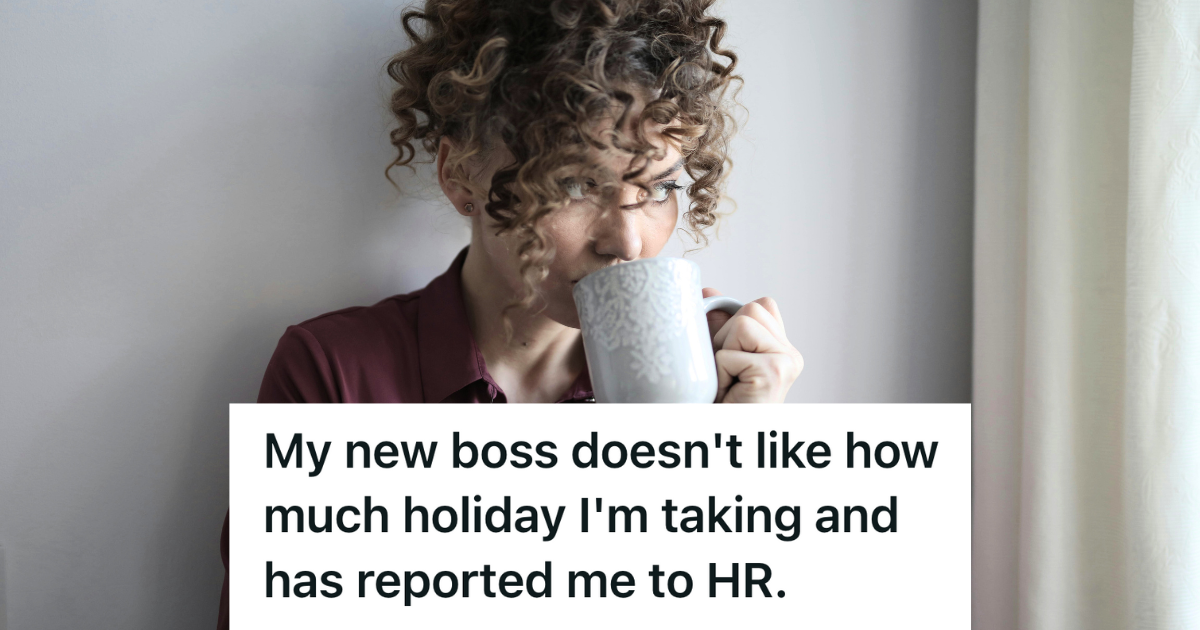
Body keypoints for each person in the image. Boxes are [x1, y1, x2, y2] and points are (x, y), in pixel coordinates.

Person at [215, 0, 802, 626]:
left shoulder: (702, 396)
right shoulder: (336, 376)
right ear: (461, 175)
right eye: (575, 184)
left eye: (658, 189)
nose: (627, 243)